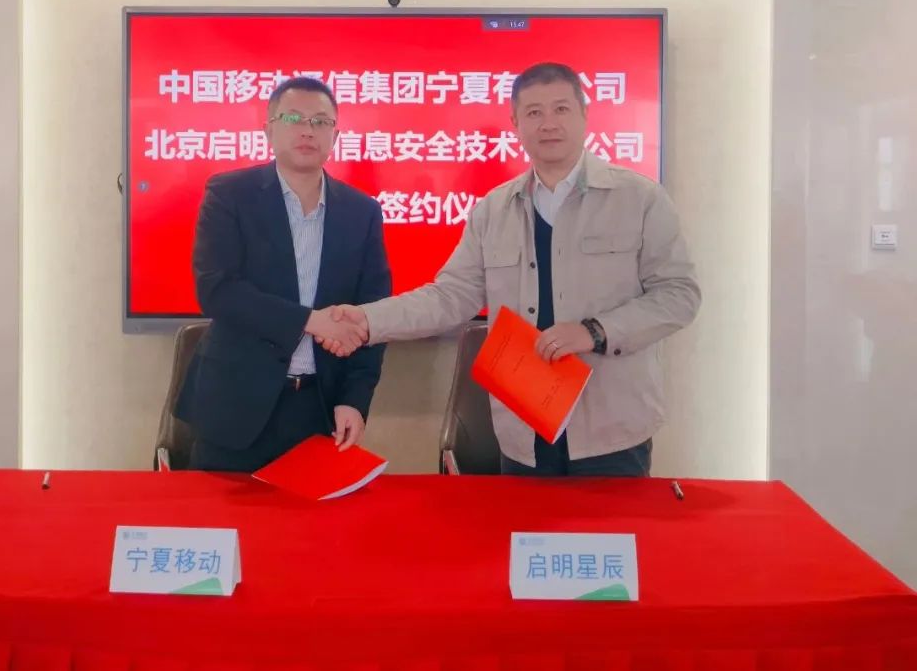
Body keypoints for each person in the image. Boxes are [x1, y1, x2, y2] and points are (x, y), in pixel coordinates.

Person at [324, 62, 700, 477]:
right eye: (534, 112)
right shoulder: (493, 210)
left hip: (611, 427)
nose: (548, 123)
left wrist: (595, 331)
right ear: (516, 123)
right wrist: (367, 320)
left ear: (584, 114)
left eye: (561, 109)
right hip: (523, 430)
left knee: (609, 523)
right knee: (522, 523)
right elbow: (450, 297)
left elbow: (679, 294)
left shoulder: (639, 198)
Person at [176, 77, 387, 472]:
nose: (308, 130)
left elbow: (372, 314)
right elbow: (217, 290)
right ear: (269, 129)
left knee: (310, 514)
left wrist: (355, 399)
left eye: (321, 121)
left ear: (335, 135)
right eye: (293, 118)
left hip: (318, 408)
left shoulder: (362, 212)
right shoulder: (229, 194)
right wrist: (310, 320)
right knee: (221, 511)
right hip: (235, 403)